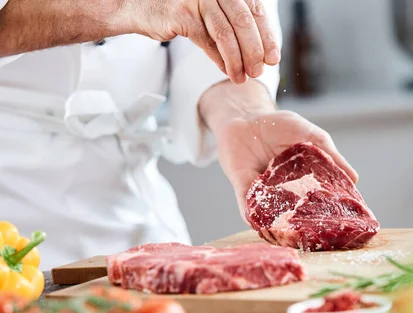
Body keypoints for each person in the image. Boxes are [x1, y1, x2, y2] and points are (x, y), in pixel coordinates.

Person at [0, 0, 357, 270]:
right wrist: (128, 7)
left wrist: (243, 112)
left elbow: (209, 23)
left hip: (140, 218)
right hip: (14, 209)